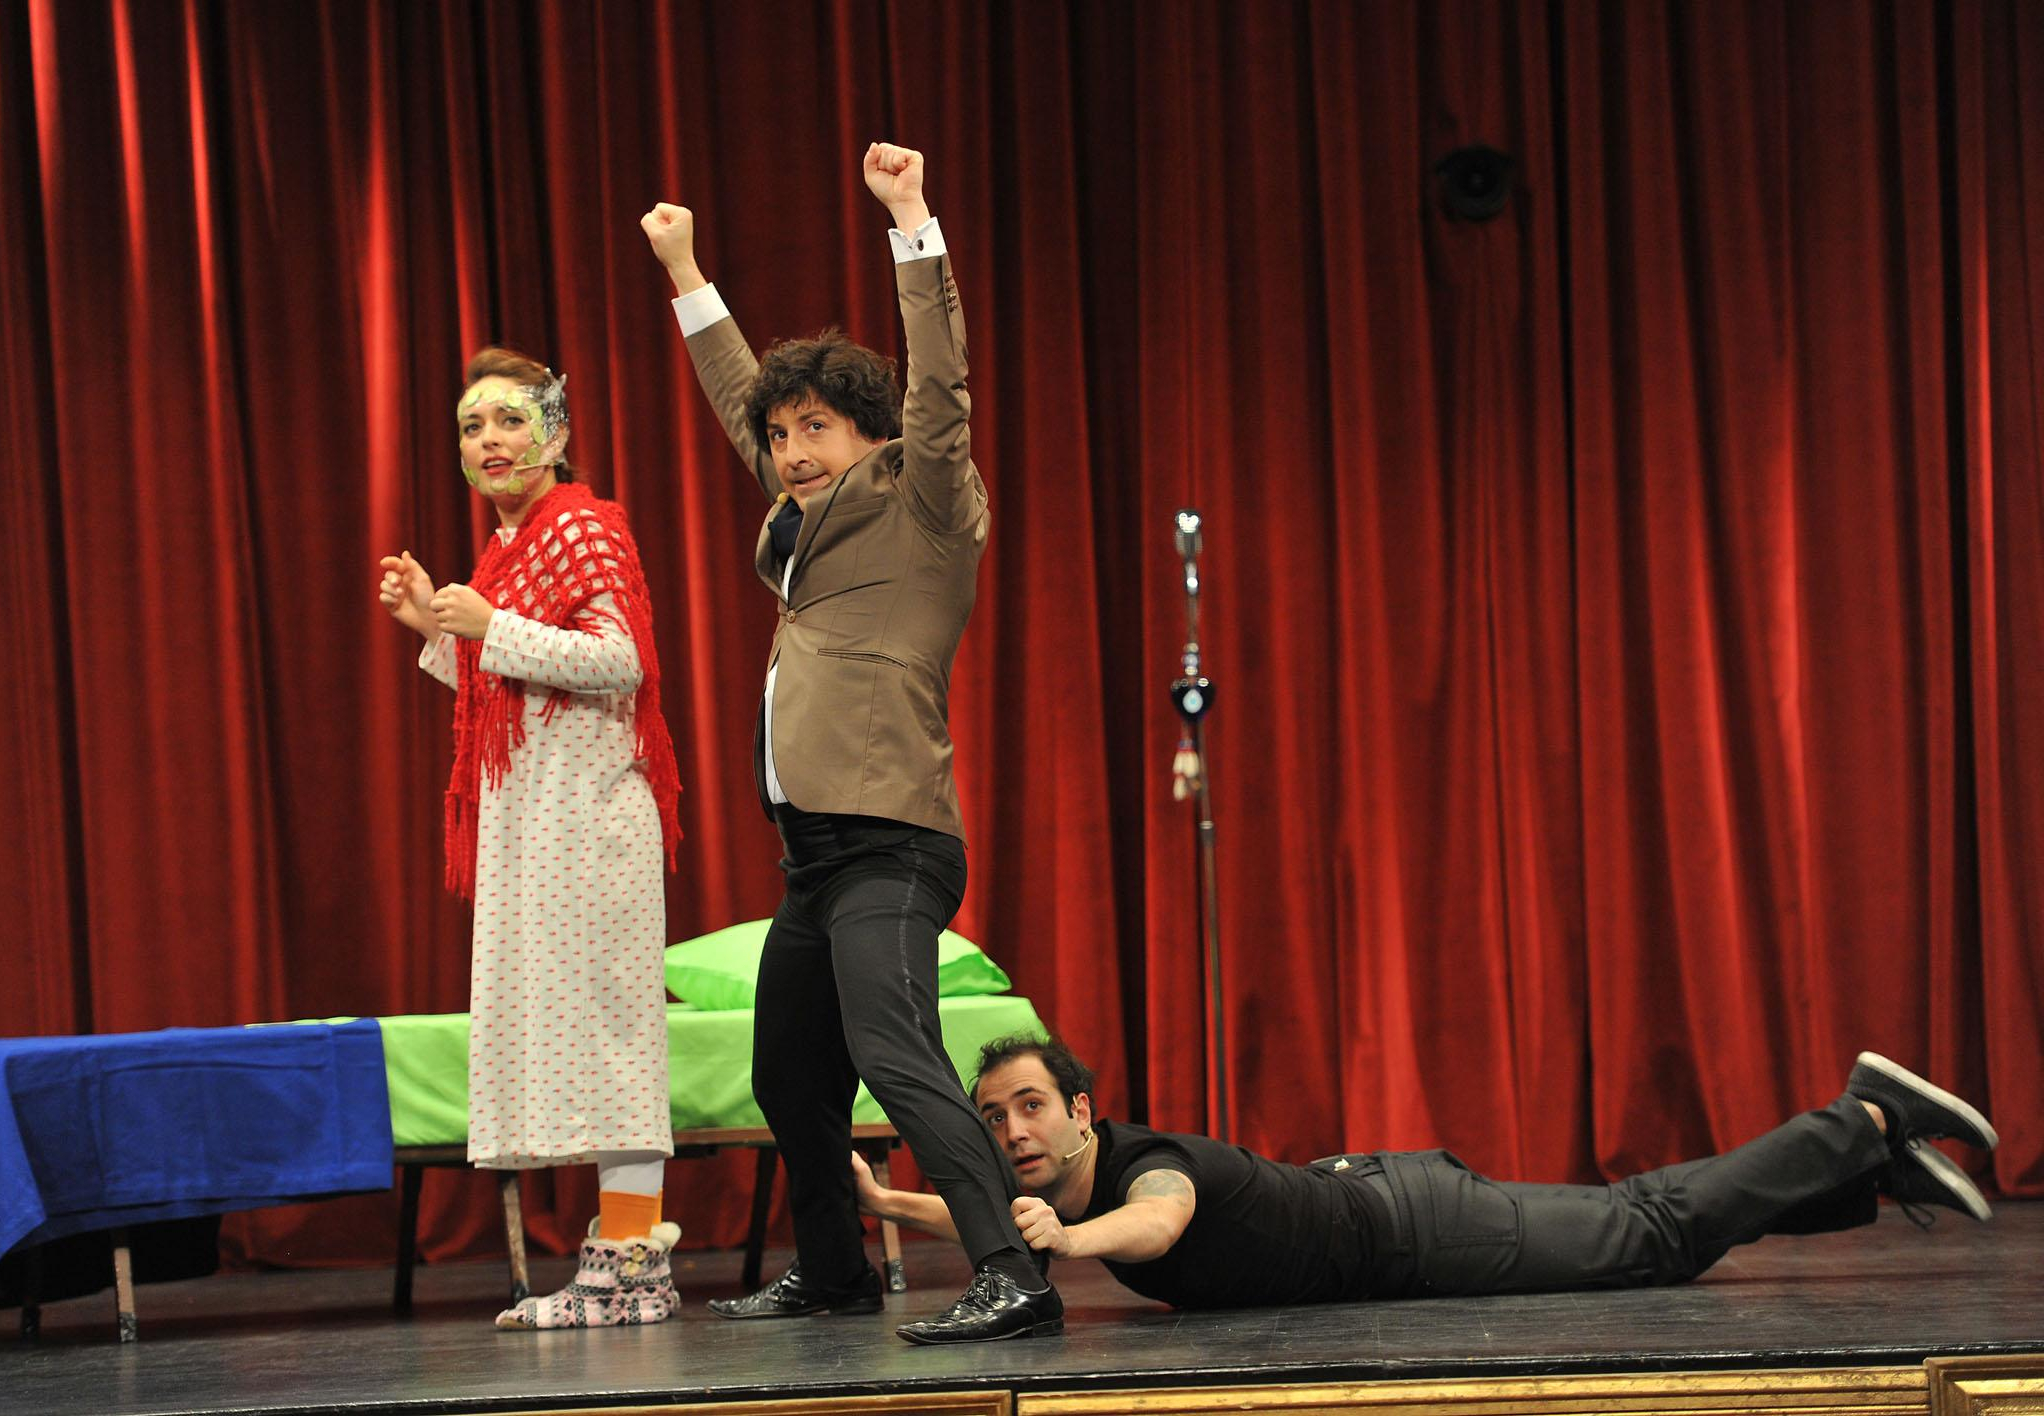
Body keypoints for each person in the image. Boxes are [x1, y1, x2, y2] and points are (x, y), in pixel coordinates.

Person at [639, 145, 1059, 1346]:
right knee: (790, 1073)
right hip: (815, 859)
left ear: (873, 435)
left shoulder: (924, 497)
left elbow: (943, 383)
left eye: (814, 428)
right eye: (779, 436)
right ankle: (831, 1271)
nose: (787, 450)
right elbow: (737, 395)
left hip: (893, 842)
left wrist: (911, 219)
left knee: (895, 1049)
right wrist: (685, 272)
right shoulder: (803, 521)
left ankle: (1011, 1272)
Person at [852, 1037, 1999, 1310]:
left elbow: (1158, 1224)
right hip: (1390, 1204)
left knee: (1647, 1231)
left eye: (1030, 1107)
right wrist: (893, 1201)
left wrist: (1068, 1245)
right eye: (993, 1117)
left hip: (1416, 1229)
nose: (1010, 1131)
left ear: (1081, 1112)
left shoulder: (1144, 1169)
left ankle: (1863, 1117)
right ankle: (1869, 1176)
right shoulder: (1062, 1190)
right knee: (1650, 1229)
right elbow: (993, 1217)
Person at [376, 348, 685, 1330]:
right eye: (472, 426)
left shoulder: (582, 527)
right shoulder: (508, 550)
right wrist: (436, 627)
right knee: (578, 1039)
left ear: (555, 434)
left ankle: (630, 1269)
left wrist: (488, 623)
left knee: (615, 1040)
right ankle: (623, 1266)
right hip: (539, 827)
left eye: (510, 419)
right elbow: (509, 688)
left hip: (591, 825)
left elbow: (621, 661)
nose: (490, 441)